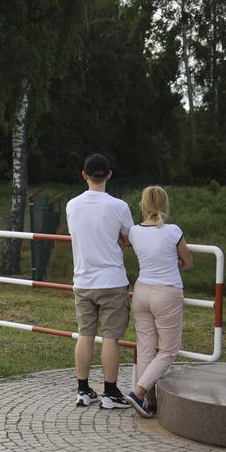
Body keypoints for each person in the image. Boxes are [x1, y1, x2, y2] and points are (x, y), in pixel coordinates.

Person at [66, 153, 134, 409]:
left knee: (85, 335)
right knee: (111, 338)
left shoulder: (72, 205)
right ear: (109, 175)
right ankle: (110, 393)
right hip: (112, 280)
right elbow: (129, 237)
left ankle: (83, 390)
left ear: (84, 175)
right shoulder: (119, 207)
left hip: (82, 280)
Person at [124, 185, 193, 418]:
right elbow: (188, 261)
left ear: (143, 205)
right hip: (167, 292)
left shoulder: (133, 231)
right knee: (168, 350)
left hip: (142, 290)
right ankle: (138, 392)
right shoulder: (173, 231)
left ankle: (150, 401)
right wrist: (176, 262)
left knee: (145, 348)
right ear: (164, 204)